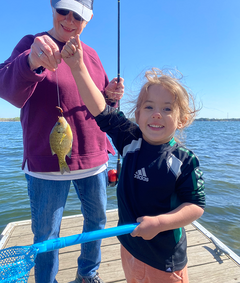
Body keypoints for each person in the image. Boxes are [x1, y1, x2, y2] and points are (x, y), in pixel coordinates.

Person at [61, 35, 206, 283]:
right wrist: (78, 67)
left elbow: (195, 206)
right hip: (129, 249)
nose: (157, 114)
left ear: (181, 120)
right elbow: (100, 109)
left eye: (167, 108)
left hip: (165, 262)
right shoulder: (130, 140)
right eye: (149, 107)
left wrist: (161, 223)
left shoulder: (184, 161)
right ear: (137, 114)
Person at [0, 1, 124, 283]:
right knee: (46, 235)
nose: (69, 20)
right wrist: (30, 61)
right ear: (52, 9)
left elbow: (98, 105)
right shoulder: (33, 43)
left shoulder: (91, 55)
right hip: (47, 162)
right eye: (63, 11)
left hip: (94, 158)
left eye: (78, 15)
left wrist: (110, 95)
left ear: (88, 19)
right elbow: (5, 86)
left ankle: (87, 274)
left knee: (97, 222)